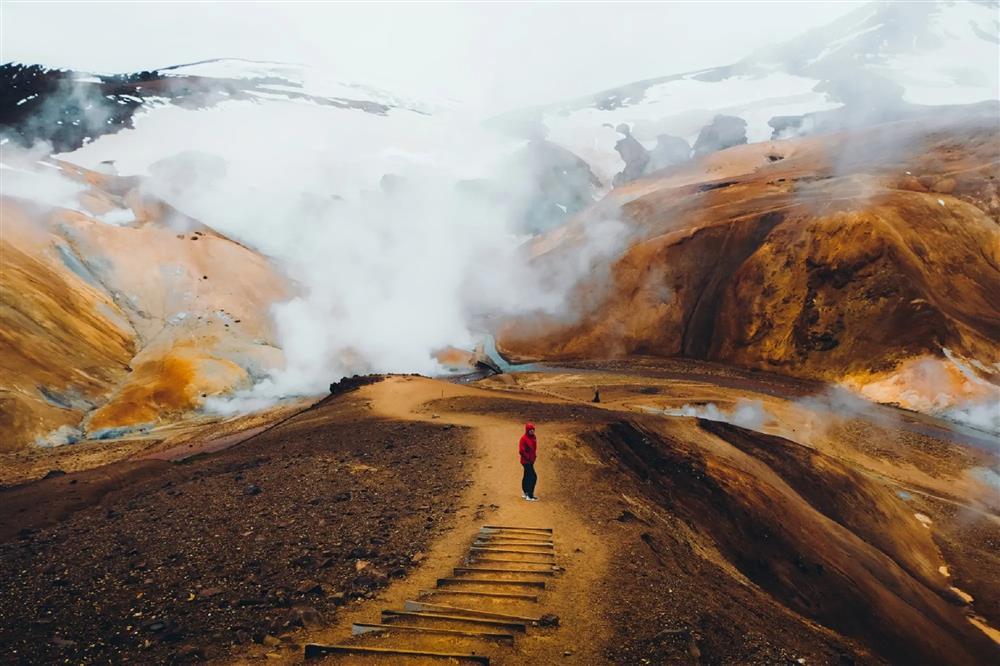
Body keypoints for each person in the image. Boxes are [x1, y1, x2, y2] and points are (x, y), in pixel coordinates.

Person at [518, 422, 538, 501]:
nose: (532, 431)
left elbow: (533, 448)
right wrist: (528, 457)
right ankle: (530, 495)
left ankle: (525, 492)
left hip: (531, 461)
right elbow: (521, 451)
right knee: (533, 477)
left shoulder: (533, 437)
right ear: (527, 430)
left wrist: (534, 457)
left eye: (533, 430)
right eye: (530, 430)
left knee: (526, 476)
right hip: (526, 461)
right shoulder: (523, 438)